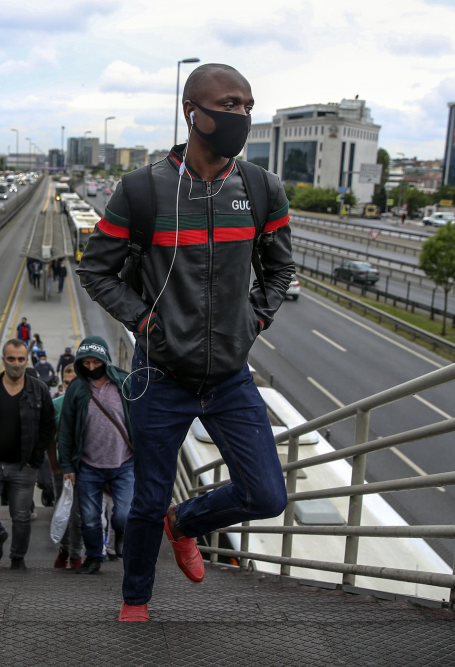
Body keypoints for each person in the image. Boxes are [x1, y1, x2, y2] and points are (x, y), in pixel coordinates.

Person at [77, 64, 291, 622]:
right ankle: (136, 598)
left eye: (248, 105)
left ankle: (187, 522)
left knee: (267, 496)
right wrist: (145, 324)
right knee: (146, 500)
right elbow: (97, 270)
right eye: (229, 104)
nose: (241, 115)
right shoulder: (143, 189)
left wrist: (255, 323)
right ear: (191, 111)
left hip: (230, 380)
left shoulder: (262, 188)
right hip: (160, 379)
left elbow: (279, 269)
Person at [0, 339, 55, 570]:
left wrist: (35, 460)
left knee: (21, 516)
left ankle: (17, 559)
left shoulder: (39, 390)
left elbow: (48, 427)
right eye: (11, 359)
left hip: (23, 466)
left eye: (20, 359)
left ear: (27, 360)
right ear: (3, 360)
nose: (16, 364)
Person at [57, 336, 134, 576]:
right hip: (88, 466)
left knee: (123, 514)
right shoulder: (77, 389)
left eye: (96, 362)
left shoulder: (124, 383)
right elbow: (66, 429)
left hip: (124, 463)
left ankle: (119, 534)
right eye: (86, 363)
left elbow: (141, 420)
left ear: (105, 360)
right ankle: (93, 557)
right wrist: (67, 465)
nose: (91, 367)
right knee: (89, 519)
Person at [47, 363, 83, 571]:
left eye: (74, 382)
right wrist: (54, 465)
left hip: (85, 469)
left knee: (78, 514)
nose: (70, 387)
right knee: (63, 511)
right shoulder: (57, 405)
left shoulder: (89, 403)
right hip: (62, 469)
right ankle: (66, 548)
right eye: (66, 383)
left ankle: (74, 554)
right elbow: (49, 439)